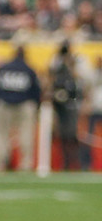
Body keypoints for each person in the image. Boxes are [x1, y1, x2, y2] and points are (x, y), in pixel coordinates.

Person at [0, 45, 41, 173]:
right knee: (26, 134)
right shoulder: (29, 70)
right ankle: (25, 164)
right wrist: (37, 107)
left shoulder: (4, 68)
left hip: (3, 104)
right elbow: (36, 92)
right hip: (24, 105)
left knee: (0, 135)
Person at [48, 43, 84, 171]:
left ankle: (75, 162)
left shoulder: (74, 75)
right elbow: (54, 90)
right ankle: (66, 162)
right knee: (63, 136)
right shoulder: (59, 72)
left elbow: (78, 92)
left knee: (72, 136)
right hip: (61, 109)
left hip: (71, 108)